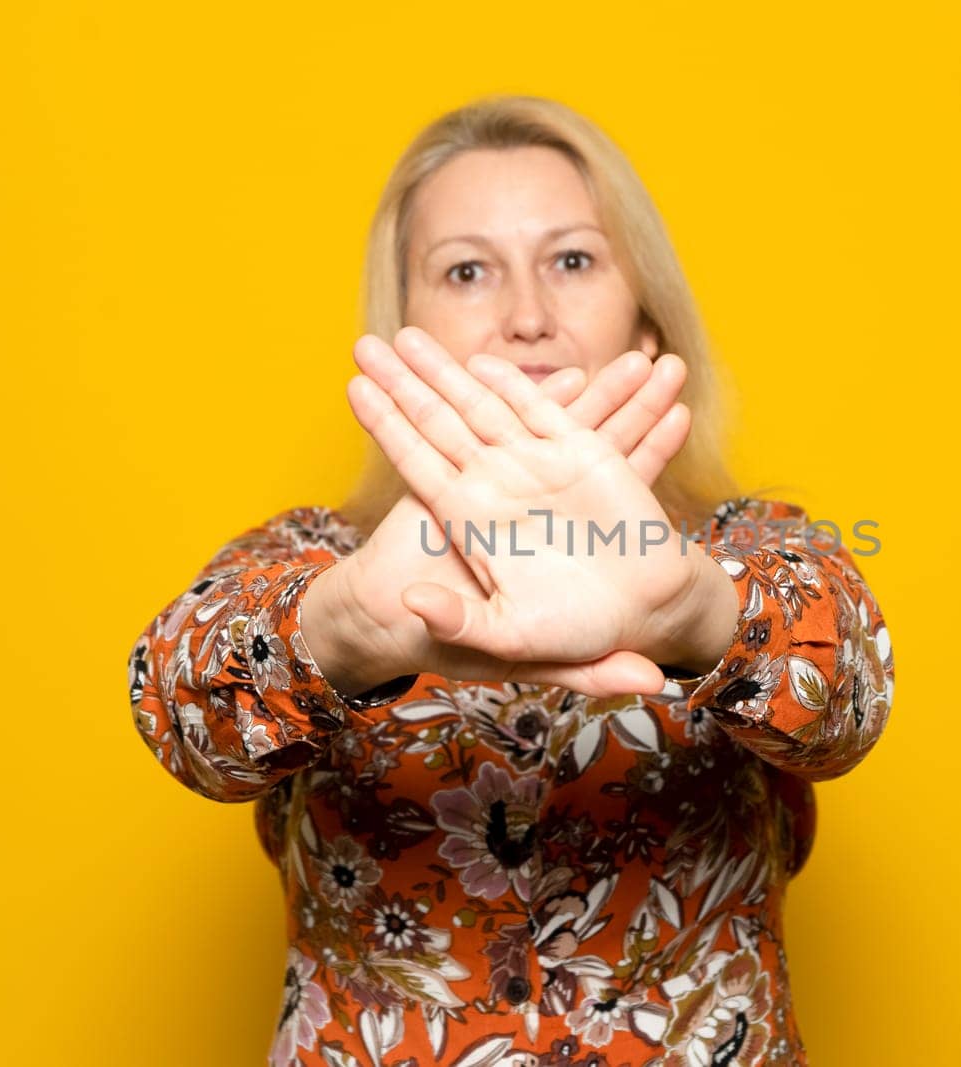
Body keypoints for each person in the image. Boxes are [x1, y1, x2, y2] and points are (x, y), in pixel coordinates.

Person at [127, 94, 895, 1067]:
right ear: (404, 326)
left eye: (572, 260)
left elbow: (853, 687)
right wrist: (353, 621)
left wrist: (694, 609)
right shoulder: (312, 562)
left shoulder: (747, 550)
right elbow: (174, 705)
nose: (527, 317)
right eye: (466, 270)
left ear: (646, 321)